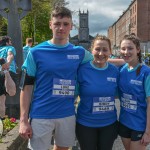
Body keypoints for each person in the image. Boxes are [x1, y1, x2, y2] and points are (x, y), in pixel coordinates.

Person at [19, 6, 93, 150]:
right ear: (50, 25)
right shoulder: (35, 52)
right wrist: (23, 120)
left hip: (67, 114)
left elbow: (101, 62)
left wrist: (132, 62)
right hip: (41, 114)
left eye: (65, 24)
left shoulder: (79, 52)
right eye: (57, 23)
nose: (61, 28)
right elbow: (26, 87)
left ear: (71, 26)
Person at [76, 35, 119, 150]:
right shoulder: (82, 69)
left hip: (109, 124)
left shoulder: (115, 71)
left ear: (110, 51)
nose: (101, 53)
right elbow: (72, 95)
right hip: (85, 124)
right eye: (97, 49)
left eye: (105, 50)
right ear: (91, 50)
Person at [118, 34, 150, 150]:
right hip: (124, 123)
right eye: (123, 49)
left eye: (130, 48)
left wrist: (148, 132)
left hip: (140, 125)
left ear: (138, 49)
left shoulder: (146, 72)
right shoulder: (122, 70)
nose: (126, 52)